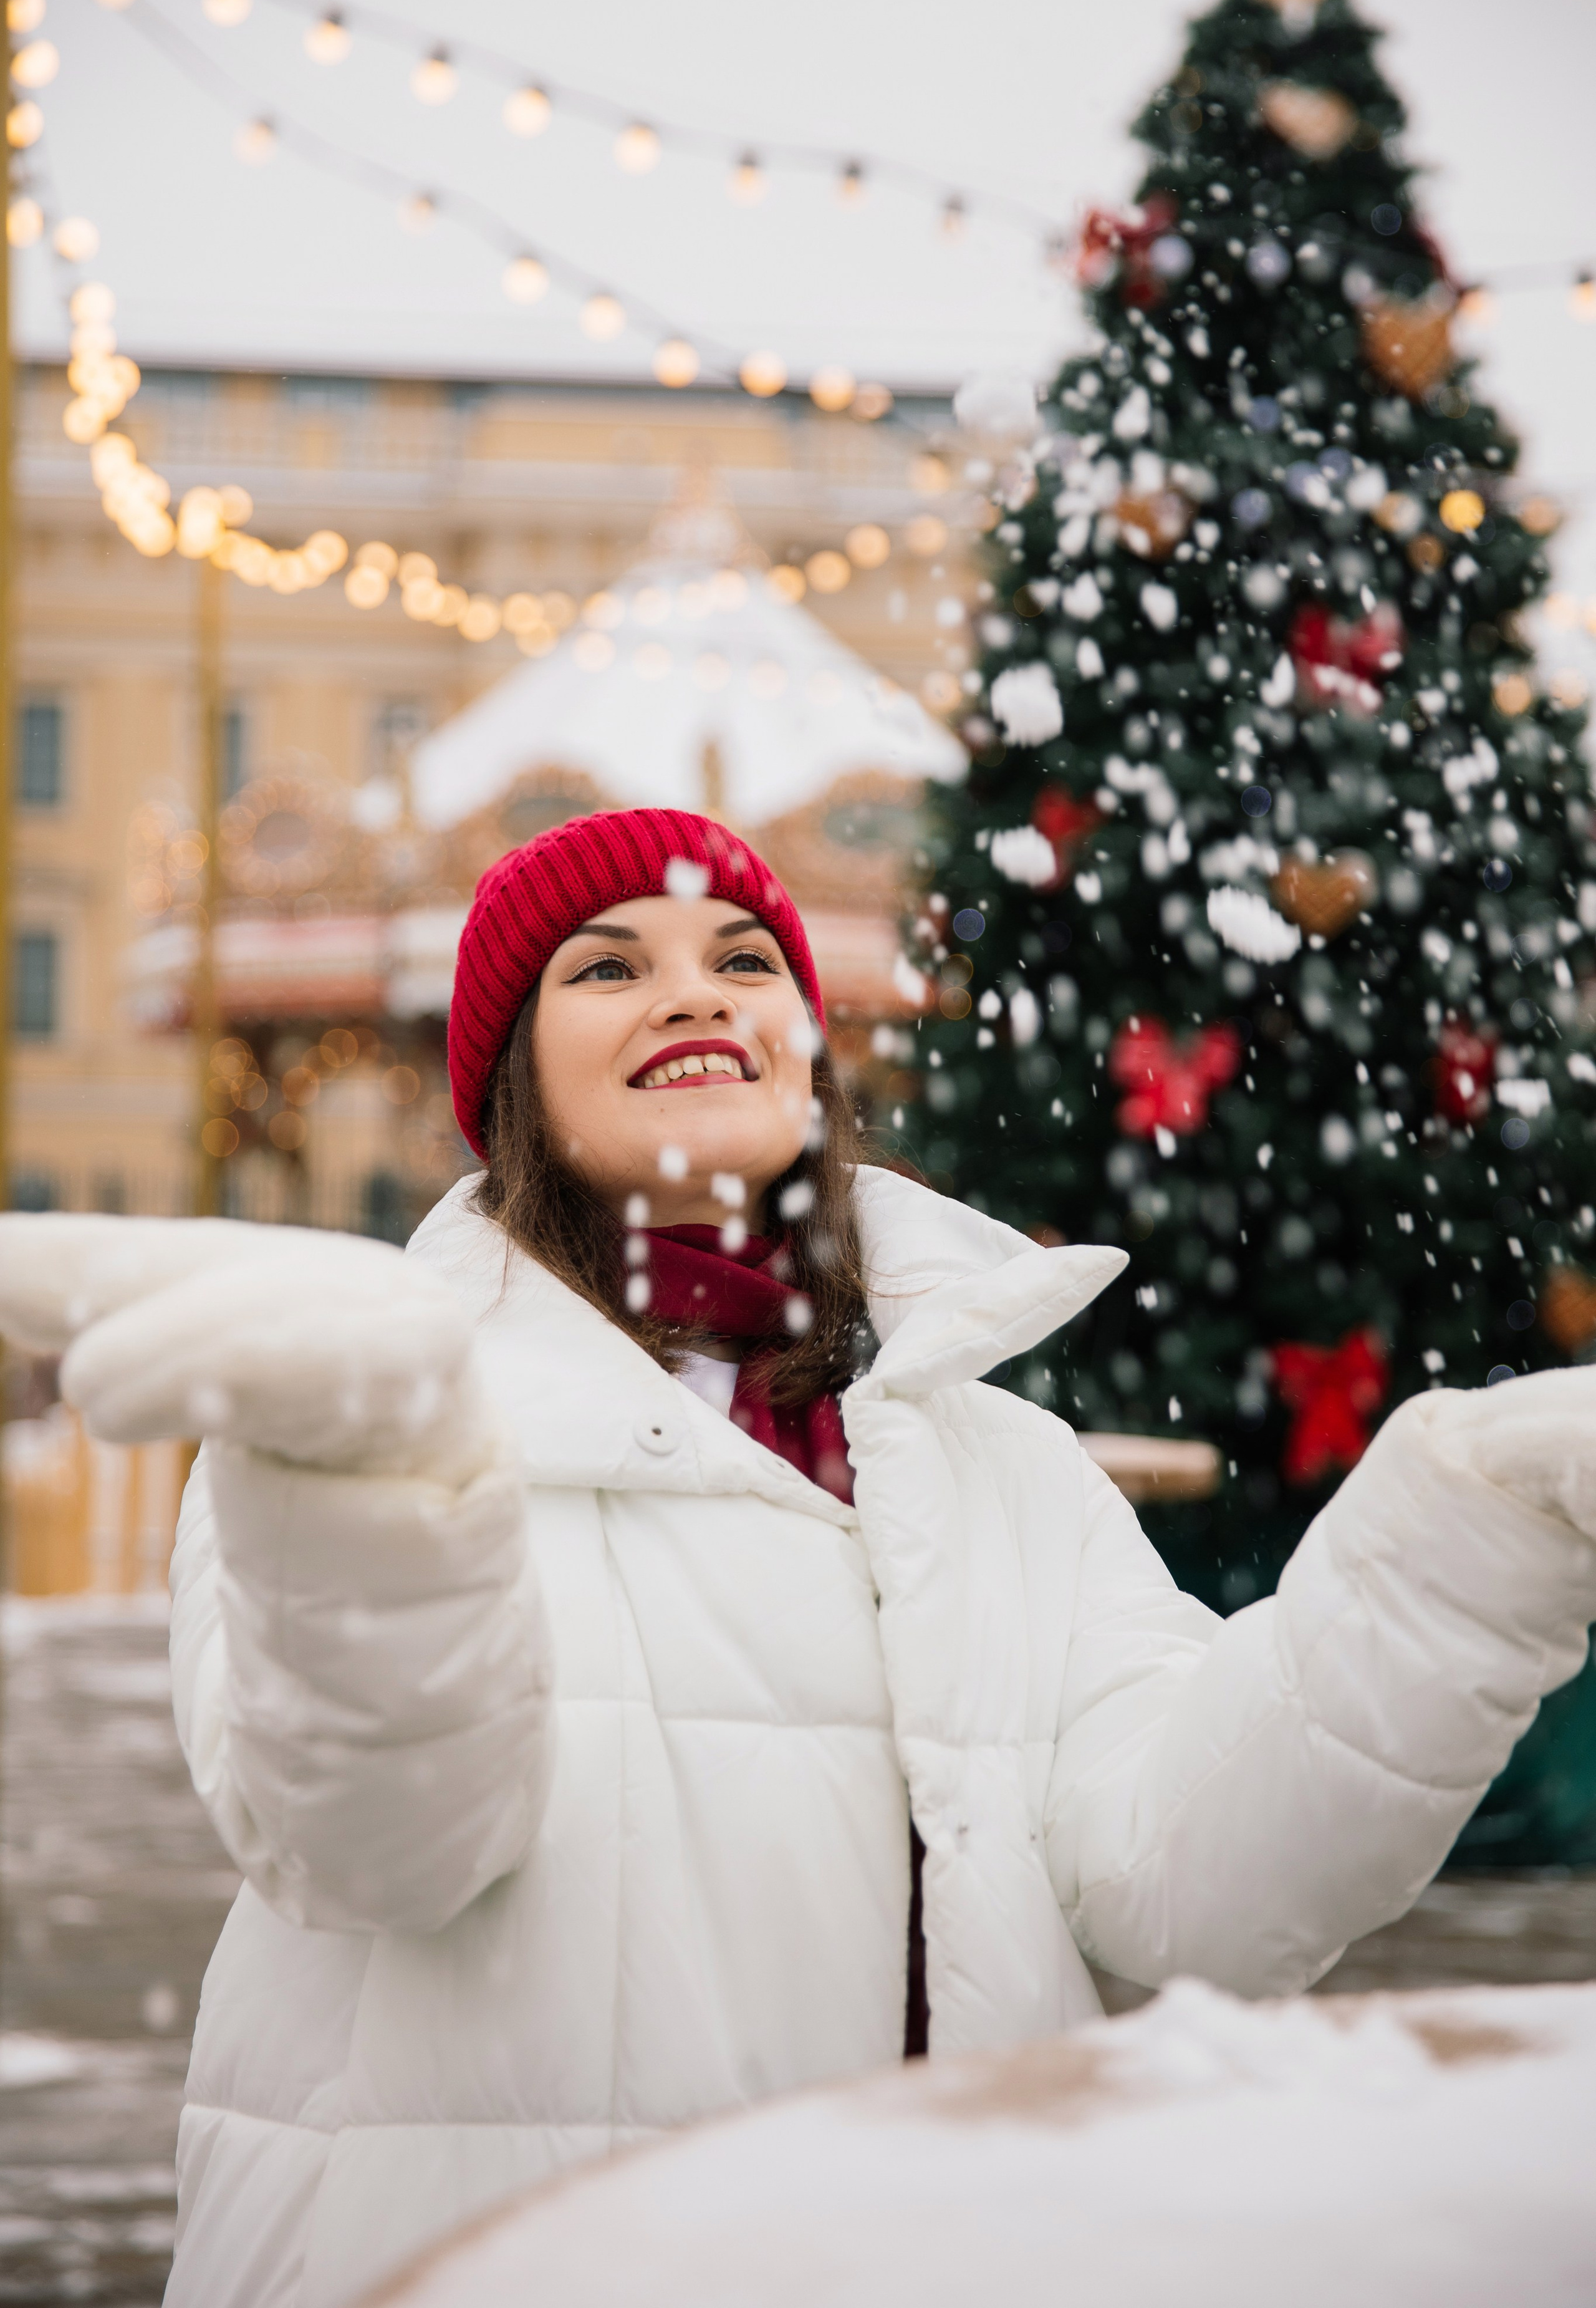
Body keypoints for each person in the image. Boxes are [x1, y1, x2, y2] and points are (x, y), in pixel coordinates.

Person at [3, 803, 1595, 2308]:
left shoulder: (999, 1465)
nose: (692, 992)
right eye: (606, 967)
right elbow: (375, 1849)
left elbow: (1195, 1891)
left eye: (742, 958)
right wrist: (363, 1498)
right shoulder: (360, 1428)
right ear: (507, 1083)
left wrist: (1463, 1542)